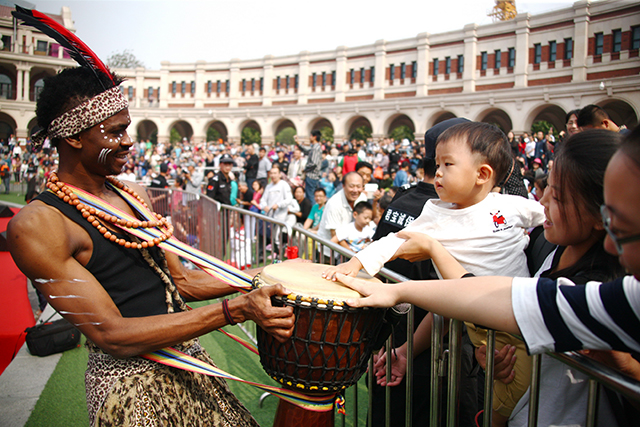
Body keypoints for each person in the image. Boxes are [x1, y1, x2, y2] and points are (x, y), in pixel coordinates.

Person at [6, 64, 294, 427]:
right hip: (129, 387)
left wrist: (265, 275)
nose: (128, 141)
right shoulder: (37, 225)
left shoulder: (134, 194)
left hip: (188, 363)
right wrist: (235, 310)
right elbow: (112, 335)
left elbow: (182, 283)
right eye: (115, 131)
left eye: (126, 129)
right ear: (74, 137)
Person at [337, 124, 640, 423]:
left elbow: (500, 301)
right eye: (546, 188)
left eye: (558, 197)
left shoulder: (599, 281)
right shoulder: (549, 250)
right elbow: (480, 302)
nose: (543, 202)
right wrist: (410, 348)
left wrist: (413, 274)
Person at [324, 122, 546, 424]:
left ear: (482, 174)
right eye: (437, 163)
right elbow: (394, 241)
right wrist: (354, 264)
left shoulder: (510, 205)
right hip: (482, 328)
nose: (437, 171)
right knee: (504, 407)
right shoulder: (434, 212)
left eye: (447, 164)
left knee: (524, 400)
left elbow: (546, 215)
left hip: (523, 316)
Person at [316, 172, 367, 260]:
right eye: (351, 186)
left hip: (350, 248)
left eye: (359, 186)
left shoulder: (362, 198)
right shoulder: (334, 203)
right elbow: (335, 235)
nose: (355, 190)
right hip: (329, 251)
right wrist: (353, 254)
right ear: (343, 186)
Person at [303, 130, 323, 201]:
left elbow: (314, 163)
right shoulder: (315, 147)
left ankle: (313, 211)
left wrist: (305, 169)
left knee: (311, 197)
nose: (309, 138)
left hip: (312, 176)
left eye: (310, 136)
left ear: (314, 137)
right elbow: (306, 150)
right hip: (313, 176)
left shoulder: (315, 148)